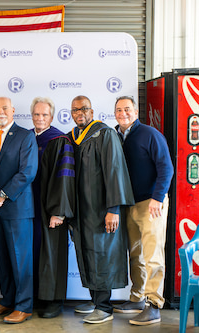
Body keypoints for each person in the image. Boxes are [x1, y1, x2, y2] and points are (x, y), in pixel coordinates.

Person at [67, 95, 134, 324]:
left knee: (101, 255)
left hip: (100, 209)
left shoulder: (105, 134)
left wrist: (113, 209)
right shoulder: (72, 138)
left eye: (84, 109)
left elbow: (114, 171)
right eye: (75, 110)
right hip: (80, 211)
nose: (80, 113)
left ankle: (104, 307)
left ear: (92, 111)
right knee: (86, 254)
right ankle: (95, 300)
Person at [112, 96, 173, 325]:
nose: (123, 113)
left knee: (152, 255)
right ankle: (137, 298)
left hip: (151, 204)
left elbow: (166, 167)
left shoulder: (150, 134)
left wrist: (158, 198)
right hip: (129, 204)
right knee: (135, 254)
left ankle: (154, 304)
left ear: (136, 112)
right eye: (119, 110)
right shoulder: (115, 135)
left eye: (127, 109)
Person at [0, 97, 37, 324]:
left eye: (5, 108)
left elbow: (28, 172)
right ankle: (7, 300)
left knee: (20, 259)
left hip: (17, 209)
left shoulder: (26, 136)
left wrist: (2, 196)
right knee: (3, 258)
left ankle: (24, 306)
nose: (1, 112)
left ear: (13, 110)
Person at [30, 97, 74, 318]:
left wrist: (59, 211)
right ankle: (37, 297)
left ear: (52, 117)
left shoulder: (60, 140)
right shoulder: (27, 137)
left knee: (52, 252)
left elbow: (64, 179)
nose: (40, 118)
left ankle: (54, 301)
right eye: (36, 114)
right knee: (34, 252)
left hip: (51, 209)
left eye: (44, 115)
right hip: (30, 208)